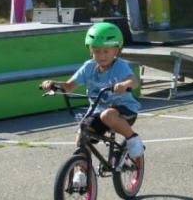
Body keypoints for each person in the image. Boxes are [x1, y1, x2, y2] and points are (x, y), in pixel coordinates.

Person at [40, 22, 144, 159]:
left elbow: (134, 81)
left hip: (124, 111)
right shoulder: (88, 67)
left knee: (107, 115)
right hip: (97, 112)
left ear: (116, 50)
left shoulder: (120, 66)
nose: (101, 55)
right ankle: (81, 170)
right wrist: (53, 84)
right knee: (81, 134)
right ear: (90, 50)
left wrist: (125, 84)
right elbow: (69, 86)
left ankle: (133, 139)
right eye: (96, 51)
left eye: (106, 51)